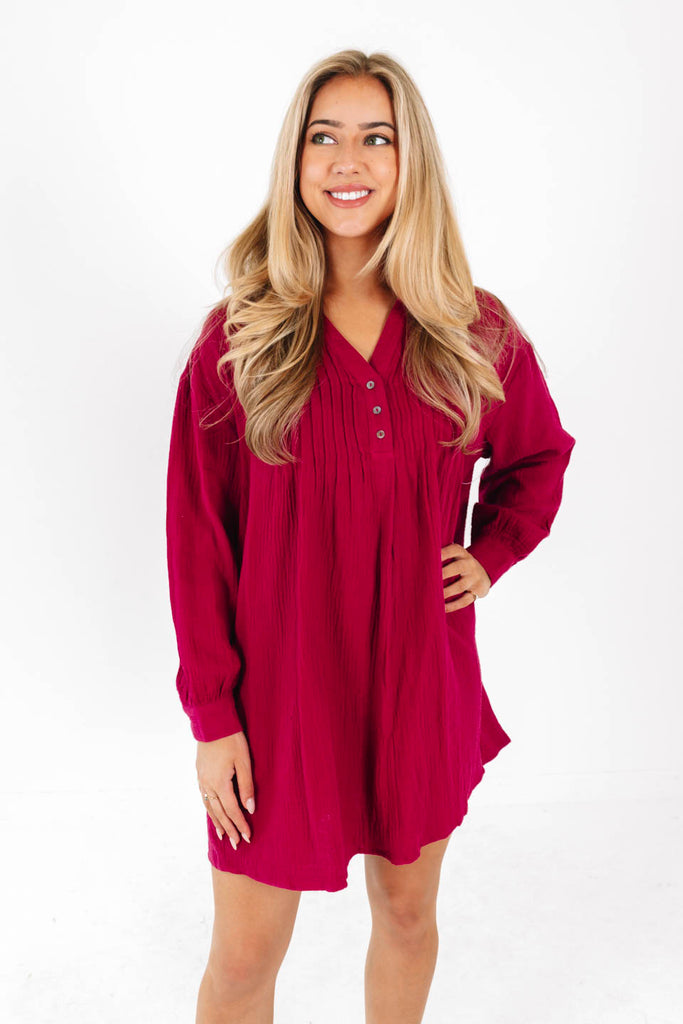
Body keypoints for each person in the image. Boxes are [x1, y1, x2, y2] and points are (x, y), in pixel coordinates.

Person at [165, 48, 576, 1024]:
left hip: (415, 681)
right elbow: (196, 539)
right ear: (296, 160)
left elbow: (537, 457)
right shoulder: (239, 339)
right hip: (277, 699)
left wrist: (489, 554)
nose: (347, 160)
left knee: (405, 912)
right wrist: (214, 719)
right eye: (324, 137)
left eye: (375, 138)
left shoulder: (470, 329)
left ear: (407, 160)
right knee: (242, 958)